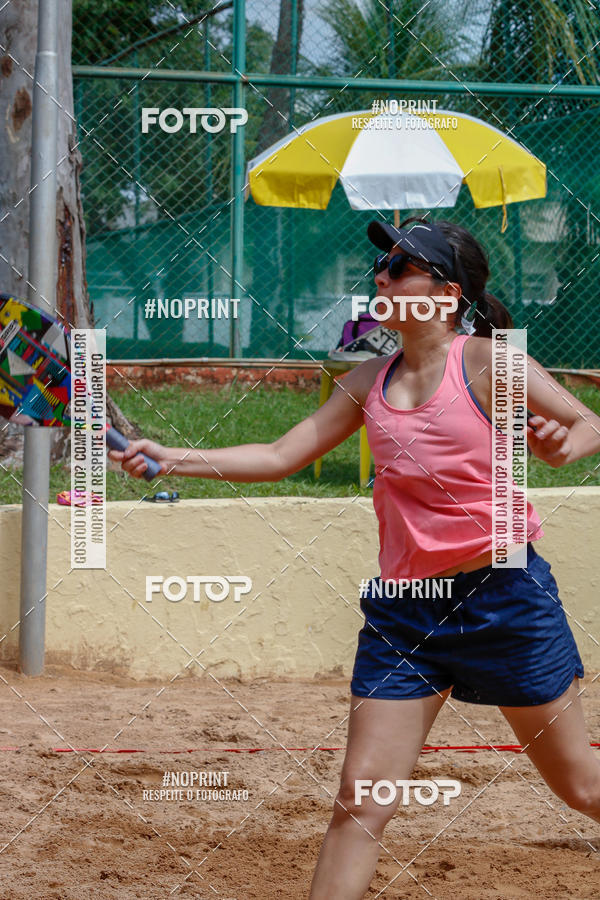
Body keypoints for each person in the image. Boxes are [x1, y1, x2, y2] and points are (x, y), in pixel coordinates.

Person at [109, 217, 600, 899]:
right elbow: (281, 455)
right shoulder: (370, 378)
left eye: (400, 264)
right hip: (406, 614)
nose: (381, 274)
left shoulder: (491, 363)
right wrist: (172, 458)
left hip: (504, 598)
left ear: (444, 292)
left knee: (580, 785)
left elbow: (588, 424)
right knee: (361, 801)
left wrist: (559, 446)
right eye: (383, 262)